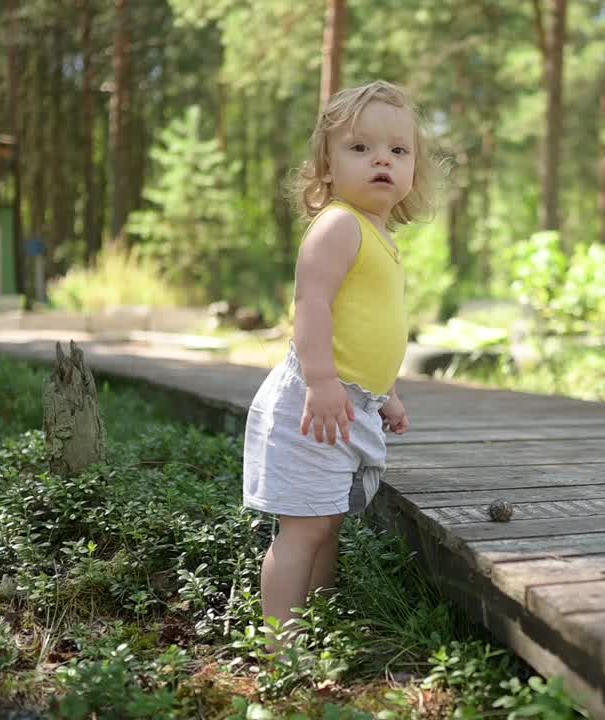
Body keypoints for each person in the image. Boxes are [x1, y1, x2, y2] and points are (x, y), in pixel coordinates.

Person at [242, 80, 437, 637]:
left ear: (413, 169)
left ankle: (318, 622)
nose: (382, 159)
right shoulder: (338, 224)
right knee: (301, 532)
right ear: (326, 165)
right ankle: (283, 646)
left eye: (398, 151)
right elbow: (313, 304)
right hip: (314, 402)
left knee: (326, 524)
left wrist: (387, 393)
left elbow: (369, 327)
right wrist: (323, 380)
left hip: (352, 403)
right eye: (360, 148)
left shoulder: (380, 235)